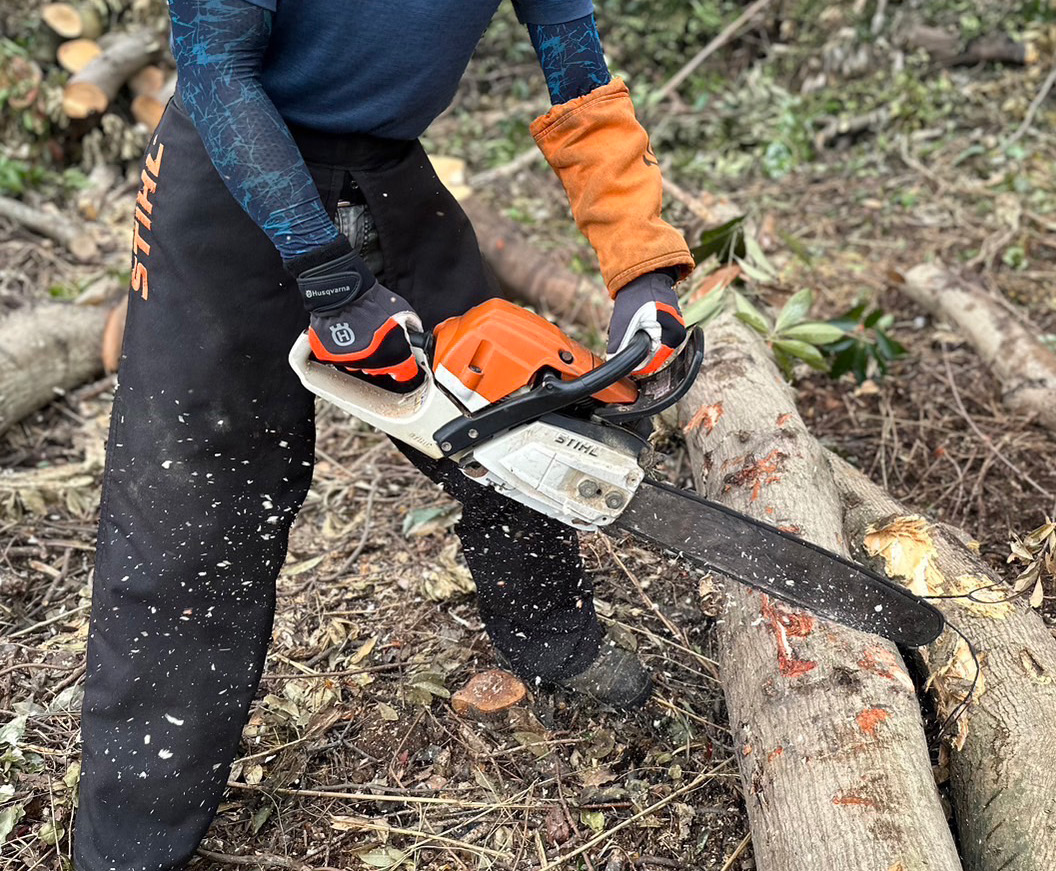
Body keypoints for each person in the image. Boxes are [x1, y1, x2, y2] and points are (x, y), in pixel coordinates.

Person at [74, 2, 694, 869]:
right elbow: (215, 68)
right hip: (225, 171)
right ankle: (130, 840)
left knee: (516, 410)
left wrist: (643, 269)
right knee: (190, 515)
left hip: (387, 172)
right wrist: (330, 279)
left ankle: (552, 636)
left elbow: (576, 64)